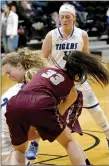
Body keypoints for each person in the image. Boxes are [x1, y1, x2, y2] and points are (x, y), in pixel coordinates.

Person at [2, 49, 109, 165]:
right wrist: (48, 130)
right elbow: (59, 111)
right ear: (80, 72)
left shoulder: (46, 70)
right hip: (40, 104)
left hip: (14, 104)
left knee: (19, 151)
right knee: (69, 141)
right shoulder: (71, 87)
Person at [42, 3, 109, 151]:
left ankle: (108, 135)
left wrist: (83, 71)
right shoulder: (51, 35)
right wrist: (54, 70)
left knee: (96, 111)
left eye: (67, 17)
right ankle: (34, 143)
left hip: (78, 80)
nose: (64, 20)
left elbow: (85, 56)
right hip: (58, 81)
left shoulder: (82, 35)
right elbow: (43, 58)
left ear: (74, 18)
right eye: (62, 17)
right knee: (44, 112)